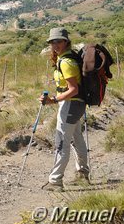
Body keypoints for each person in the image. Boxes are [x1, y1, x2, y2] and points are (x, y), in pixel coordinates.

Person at [39, 28, 90, 191]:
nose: (55, 45)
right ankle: (82, 171)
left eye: (58, 41)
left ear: (66, 42)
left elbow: (73, 89)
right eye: (52, 42)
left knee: (62, 142)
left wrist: (52, 100)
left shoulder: (66, 62)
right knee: (76, 137)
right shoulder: (69, 57)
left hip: (70, 104)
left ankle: (55, 181)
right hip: (77, 105)